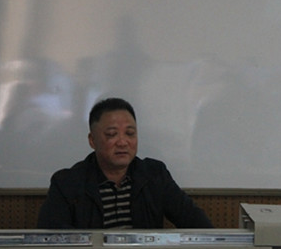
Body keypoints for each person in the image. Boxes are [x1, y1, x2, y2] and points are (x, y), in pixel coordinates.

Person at [37, 97, 213, 229]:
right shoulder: (67, 183)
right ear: (92, 140)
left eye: (130, 133)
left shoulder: (154, 175)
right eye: (112, 134)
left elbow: (199, 225)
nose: (122, 142)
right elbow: (52, 244)